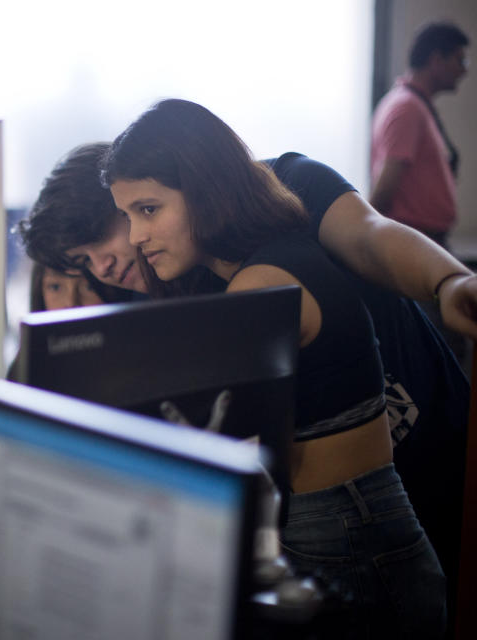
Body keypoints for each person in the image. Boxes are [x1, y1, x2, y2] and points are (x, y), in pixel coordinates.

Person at [18, 141, 469, 613]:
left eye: (102, 234)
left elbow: (369, 237)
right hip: (329, 518)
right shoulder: (152, 297)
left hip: (434, 439)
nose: (103, 265)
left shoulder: (286, 187)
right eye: (84, 260)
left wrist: (449, 282)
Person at [100, 98, 446, 637]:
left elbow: (218, 444)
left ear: (205, 188)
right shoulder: (269, 258)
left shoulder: (262, 286)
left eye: (149, 210)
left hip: (349, 540)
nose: (136, 237)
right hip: (352, 531)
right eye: (127, 216)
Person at [371, 21, 469, 247]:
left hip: (420, 240)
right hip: (415, 242)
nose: (465, 70)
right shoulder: (408, 108)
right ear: (436, 60)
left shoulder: (411, 103)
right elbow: (385, 188)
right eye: (460, 60)